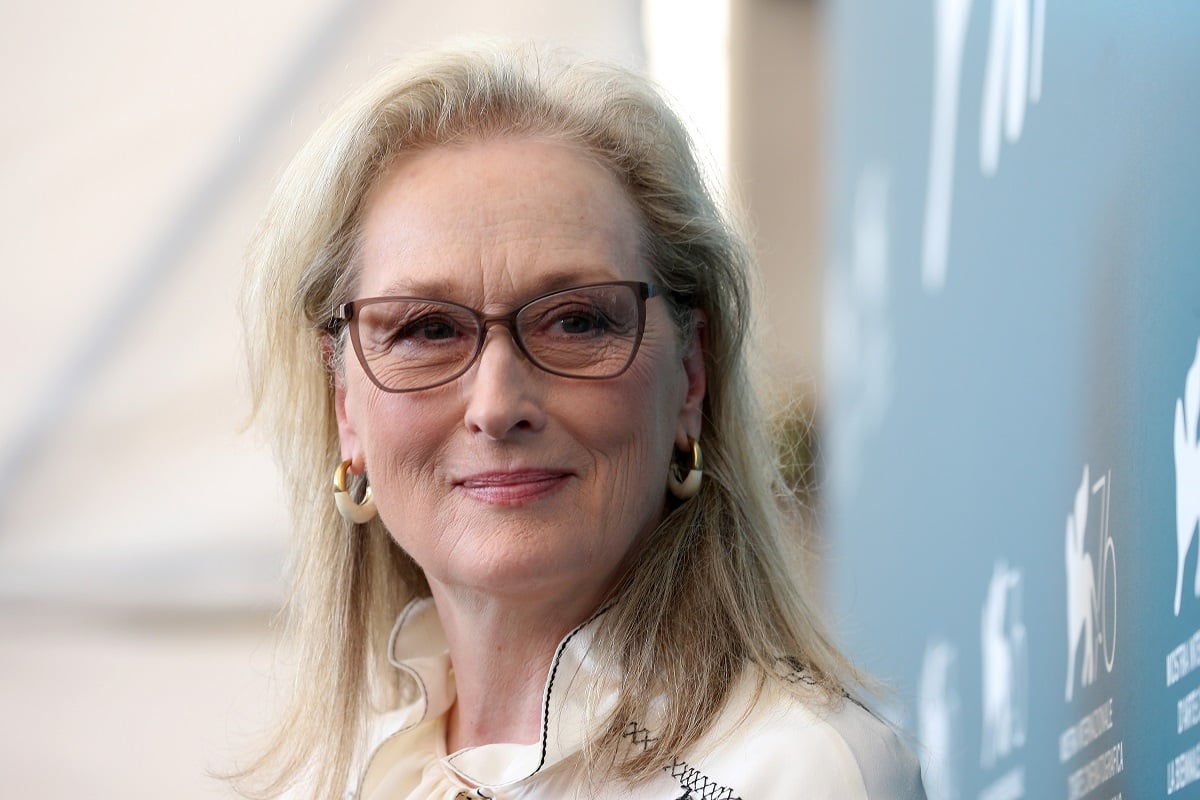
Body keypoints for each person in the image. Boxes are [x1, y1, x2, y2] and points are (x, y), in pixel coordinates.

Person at [239, 39, 926, 800]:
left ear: (690, 375)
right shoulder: (322, 783)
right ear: (346, 410)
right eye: (428, 330)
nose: (498, 406)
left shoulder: (794, 774)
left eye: (576, 322)